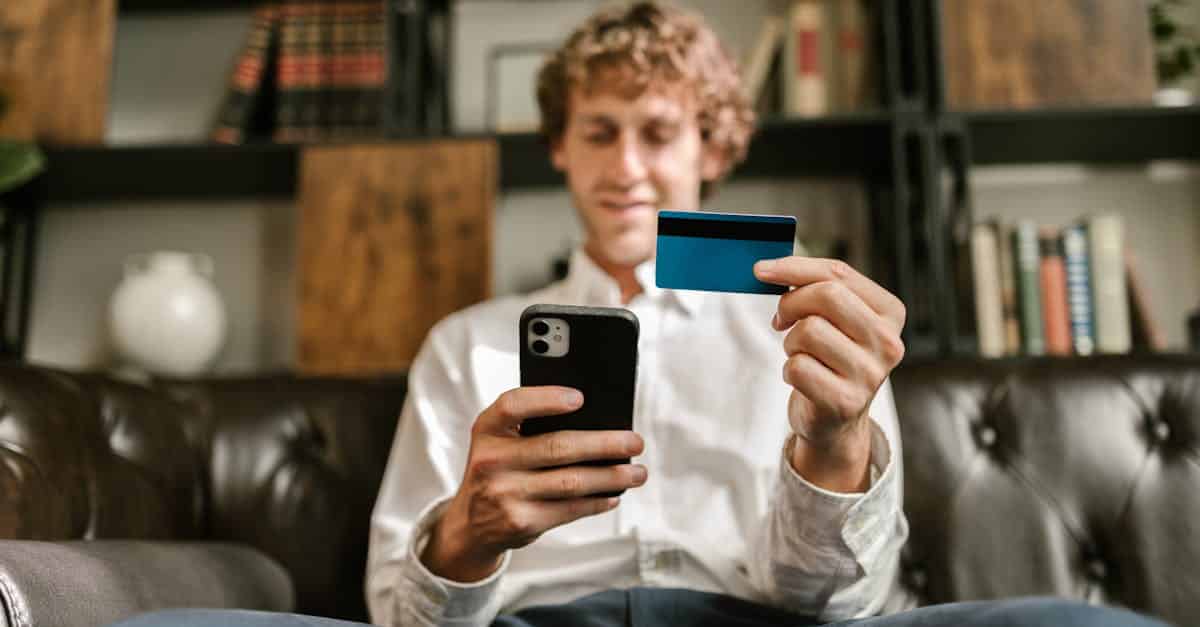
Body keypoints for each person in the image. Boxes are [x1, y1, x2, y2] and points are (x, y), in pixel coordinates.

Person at [112, 3, 1168, 627]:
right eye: (599, 131)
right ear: (559, 149)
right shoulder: (469, 344)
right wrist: (466, 536)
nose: (627, 167)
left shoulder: (810, 327)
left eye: (658, 133)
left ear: (713, 148)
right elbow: (401, 614)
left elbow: (842, 605)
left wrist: (837, 441)